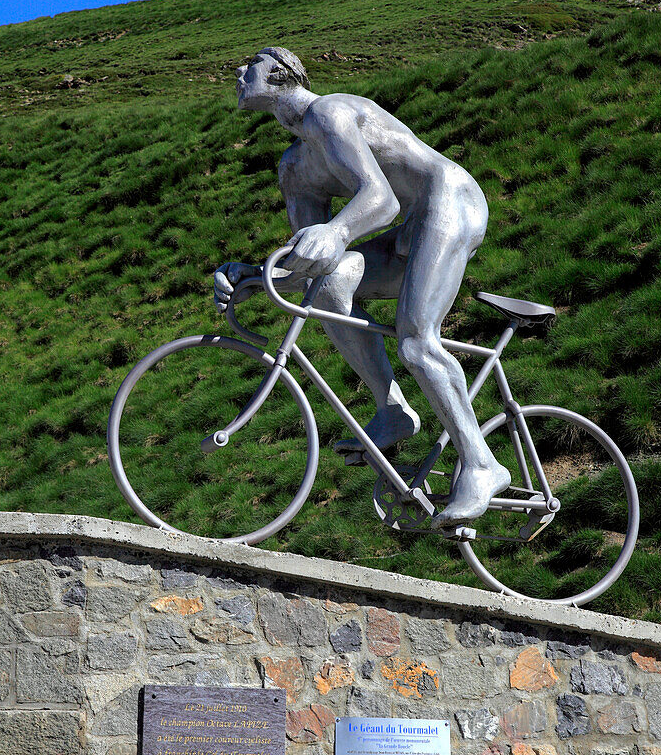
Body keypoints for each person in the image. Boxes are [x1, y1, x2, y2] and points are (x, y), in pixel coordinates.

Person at [214, 46, 510, 527]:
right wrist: (255, 276)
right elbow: (307, 266)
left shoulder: (329, 113)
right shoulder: (294, 167)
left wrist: (336, 232)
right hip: (406, 232)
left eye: (250, 64)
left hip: (448, 202)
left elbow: (382, 200)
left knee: (416, 341)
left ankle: (481, 464)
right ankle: (391, 408)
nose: (237, 70)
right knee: (327, 287)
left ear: (280, 73)